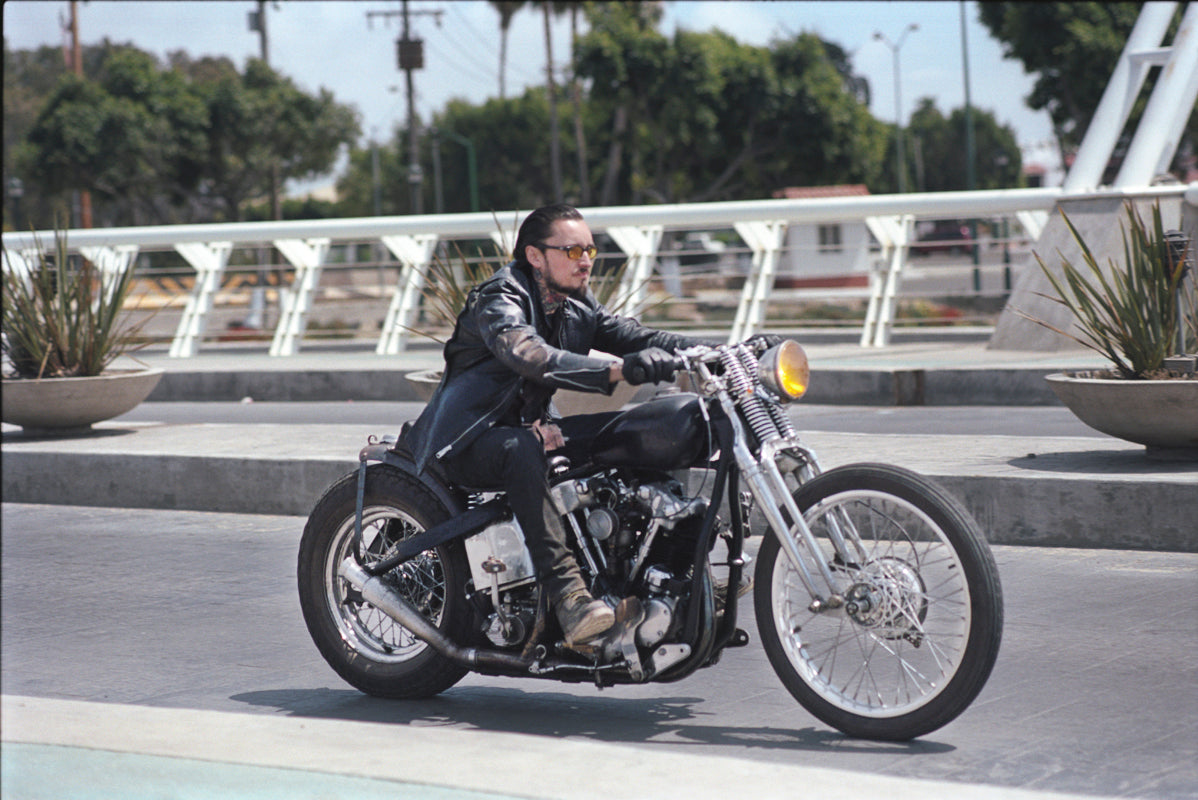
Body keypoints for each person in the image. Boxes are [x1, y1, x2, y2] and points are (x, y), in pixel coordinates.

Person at [404, 203, 713, 646]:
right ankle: (569, 595)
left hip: (534, 430)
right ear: (535, 256)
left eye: (589, 249)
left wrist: (724, 349)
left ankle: (674, 566)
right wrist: (617, 372)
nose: (585, 260)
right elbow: (530, 356)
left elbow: (637, 336)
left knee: (639, 430)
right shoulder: (500, 297)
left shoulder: (576, 305)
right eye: (571, 251)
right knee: (520, 450)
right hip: (467, 441)